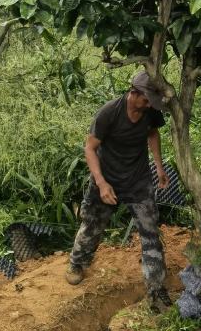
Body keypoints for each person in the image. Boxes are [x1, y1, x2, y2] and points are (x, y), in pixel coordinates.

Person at [66, 70, 172, 312]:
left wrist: (158, 165)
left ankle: (156, 290)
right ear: (133, 93)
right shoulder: (109, 113)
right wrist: (101, 183)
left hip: (138, 181)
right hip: (107, 179)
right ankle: (77, 263)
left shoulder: (151, 112)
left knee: (150, 232)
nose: (148, 106)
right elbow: (90, 149)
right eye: (145, 100)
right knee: (92, 224)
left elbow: (153, 133)